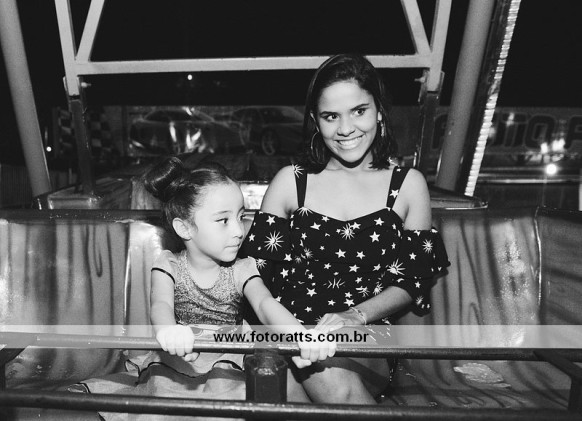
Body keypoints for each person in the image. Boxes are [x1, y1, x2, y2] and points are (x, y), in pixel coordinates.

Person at [240, 53, 450, 404]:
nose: (346, 128)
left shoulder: (407, 185)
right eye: (331, 116)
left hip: (365, 334)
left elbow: (412, 280)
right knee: (275, 381)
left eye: (359, 111)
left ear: (379, 111)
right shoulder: (291, 182)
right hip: (287, 332)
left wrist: (355, 315)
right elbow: (254, 272)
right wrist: (288, 330)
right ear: (315, 120)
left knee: (327, 370)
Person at [77, 157, 334, 419]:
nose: (238, 230)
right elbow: (161, 305)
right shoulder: (169, 265)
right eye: (223, 220)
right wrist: (168, 331)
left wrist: (299, 334)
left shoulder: (242, 268)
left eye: (241, 216)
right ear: (184, 228)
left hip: (233, 357)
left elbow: (264, 304)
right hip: (183, 358)